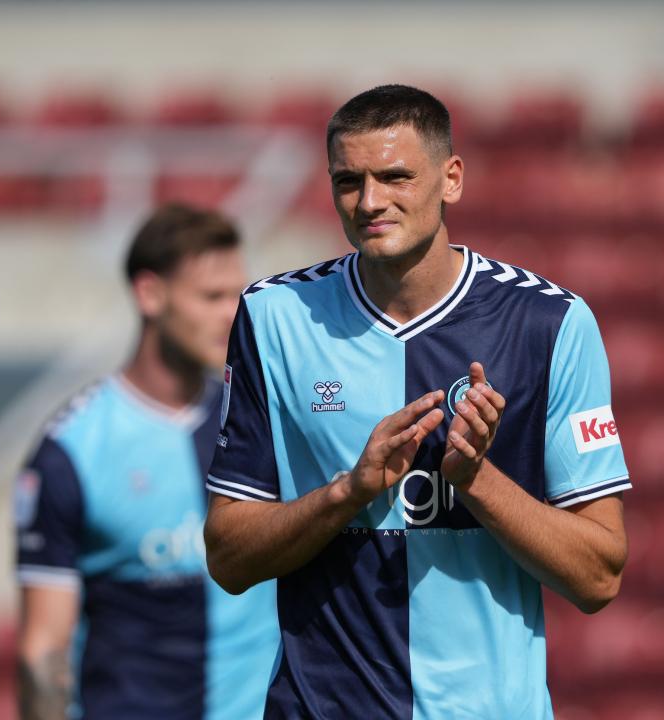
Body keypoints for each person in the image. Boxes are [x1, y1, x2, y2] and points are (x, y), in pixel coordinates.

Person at [204, 85, 630, 719]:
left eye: (395, 177)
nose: (370, 202)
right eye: (348, 181)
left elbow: (599, 576)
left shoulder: (550, 323)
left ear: (451, 178)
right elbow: (228, 558)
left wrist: (476, 480)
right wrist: (349, 492)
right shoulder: (275, 316)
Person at [14, 204, 280, 720]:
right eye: (211, 297)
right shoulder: (71, 450)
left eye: (238, 296)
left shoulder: (259, 422)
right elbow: (43, 651)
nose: (232, 315)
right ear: (150, 294)